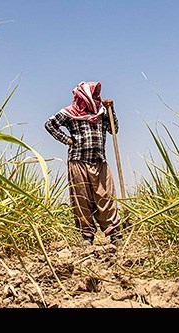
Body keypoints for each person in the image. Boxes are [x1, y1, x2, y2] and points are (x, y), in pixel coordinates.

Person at [45, 81, 123, 246]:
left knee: (106, 196)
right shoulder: (70, 112)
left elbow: (113, 129)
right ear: (83, 96)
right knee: (82, 199)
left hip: (99, 160)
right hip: (78, 160)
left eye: (97, 95)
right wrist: (67, 140)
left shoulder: (102, 112)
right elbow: (50, 125)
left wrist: (111, 110)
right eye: (93, 95)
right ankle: (86, 236)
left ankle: (114, 233)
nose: (96, 98)